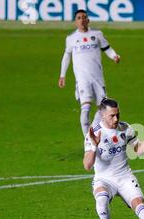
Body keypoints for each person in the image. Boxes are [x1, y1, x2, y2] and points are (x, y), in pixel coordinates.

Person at [59, 9, 120, 137]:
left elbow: (107, 48)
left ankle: (93, 132)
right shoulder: (71, 39)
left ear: (88, 20)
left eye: (84, 17)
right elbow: (66, 56)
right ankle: (88, 140)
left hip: (98, 78)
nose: (82, 19)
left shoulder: (97, 34)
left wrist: (114, 56)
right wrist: (62, 75)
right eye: (79, 18)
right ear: (75, 22)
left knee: (103, 109)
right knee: (85, 109)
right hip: (82, 80)